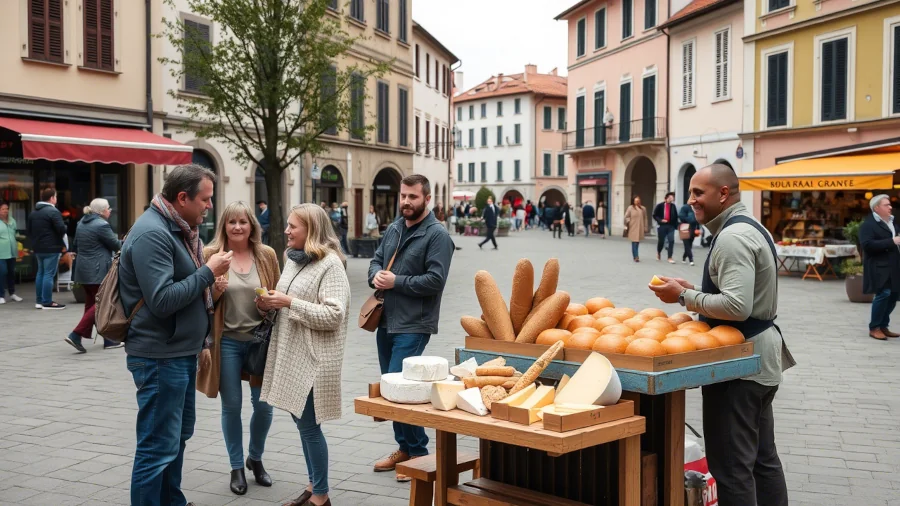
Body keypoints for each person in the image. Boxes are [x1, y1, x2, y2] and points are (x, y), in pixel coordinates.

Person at [649, 164, 794, 506]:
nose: (691, 200)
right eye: (691, 193)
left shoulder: (731, 238)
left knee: (731, 468)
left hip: (739, 366)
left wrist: (683, 297)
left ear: (724, 193)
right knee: (762, 460)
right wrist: (697, 289)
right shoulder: (750, 226)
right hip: (759, 359)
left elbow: (737, 305)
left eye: (699, 193)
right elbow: (741, 294)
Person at [119, 164, 233, 506]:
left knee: (176, 437)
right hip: (158, 357)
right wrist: (207, 273)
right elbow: (163, 300)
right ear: (182, 198)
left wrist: (199, 342)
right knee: (157, 447)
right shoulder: (153, 233)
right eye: (205, 199)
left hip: (178, 353)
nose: (210, 206)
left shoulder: (177, 227)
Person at [256, 203, 349, 506]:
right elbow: (287, 302)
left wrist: (288, 302)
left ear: (311, 230)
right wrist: (269, 304)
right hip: (292, 355)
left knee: (309, 426)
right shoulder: (294, 260)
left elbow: (334, 315)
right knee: (302, 424)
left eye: (293, 226)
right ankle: (313, 486)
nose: (286, 231)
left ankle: (321, 497)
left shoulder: (331, 264)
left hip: (314, 358)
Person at [368, 174, 454, 481]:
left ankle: (419, 453)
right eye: (403, 196)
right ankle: (404, 447)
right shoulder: (393, 228)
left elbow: (435, 280)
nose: (406, 202)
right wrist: (376, 275)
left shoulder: (437, 235)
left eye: (413, 197)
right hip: (387, 320)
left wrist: (396, 282)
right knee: (392, 388)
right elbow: (376, 260)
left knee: (403, 389)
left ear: (427, 199)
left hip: (415, 323)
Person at [196, 201, 280, 496]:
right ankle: (235, 467)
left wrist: (268, 302)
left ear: (252, 225)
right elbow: (200, 300)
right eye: (231, 222)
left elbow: (278, 295)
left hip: (260, 340)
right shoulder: (210, 255)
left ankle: (255, 458)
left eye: (243, 222)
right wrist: (214, 293)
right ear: (224, 226)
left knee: (264, 406)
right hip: (227, 342)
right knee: (231, 407)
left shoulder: (266, 255)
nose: (237, 227)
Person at [65, 198, 122, 353]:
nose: (110, 211)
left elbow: (75, 245)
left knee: (92, 304)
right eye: (108, 208)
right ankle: (76, 334)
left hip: (83, 270)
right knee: (102, 303)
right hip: (97, 271)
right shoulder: (102, 225)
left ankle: (108, 340)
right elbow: (116, 245)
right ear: (102, 211)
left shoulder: (81, 223)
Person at [859, 194, 900, 340]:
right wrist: (892, 241)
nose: (890, 207)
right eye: (886, 205)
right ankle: (874, 327)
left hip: (894, 265)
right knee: (884, 294)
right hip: (878, 266)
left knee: (894, 296)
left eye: (890, 204)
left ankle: (883, 326)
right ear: (877, 208)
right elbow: (867, 245)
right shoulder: (868, 225)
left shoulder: (892, 222)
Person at [27, 187, 67, 310]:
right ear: (51, 198)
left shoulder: (33, 212)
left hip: (38, 248)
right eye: (55, 197)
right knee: (49, 274)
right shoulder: (53, 212)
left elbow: (29, 231)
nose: (56, 199)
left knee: (41, 273)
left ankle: (39, 301)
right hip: (52, 247)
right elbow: (61, 229)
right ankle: (47, 302)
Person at [0, 200, 22, 304]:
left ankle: (12, 293)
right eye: (3, 209)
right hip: (1, 252)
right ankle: (1, 295)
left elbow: (15, 233)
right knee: (2, 272)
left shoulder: (12, 220)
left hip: (12, 252)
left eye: (7, 209)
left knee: (11, 273)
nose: (5, 211)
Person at [653, 192, 679, 263]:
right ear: (666, 198)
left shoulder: (673, 206)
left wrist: (677, 226)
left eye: (672, 198)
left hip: (671, 226)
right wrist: (660, 220)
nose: (671, 199)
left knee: (671, 241)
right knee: (661, 241)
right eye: (670, 198)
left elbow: (676, 216)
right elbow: (655, 215)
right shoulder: (660, 206)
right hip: (662, 225)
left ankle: (670, 257)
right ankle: (658, 252)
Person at [624, 196, 648, 262]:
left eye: (638, 201)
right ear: (633, 201)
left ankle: (635, 255)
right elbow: (626, 216)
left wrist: (645, 227)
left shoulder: (643, 208)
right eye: (636, 201)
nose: (637, 202)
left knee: (637, 242)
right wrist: (627, 222)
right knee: (634, 242)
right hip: (632, 227)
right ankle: (636, 256)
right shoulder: (630, 208)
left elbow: (645, 218)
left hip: (640, 227)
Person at [679, 201, 698, 266]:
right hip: (684, 226)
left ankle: (684, 257)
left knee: (690, 244)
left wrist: (697, 228)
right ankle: (691, 259)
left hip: (693, 227)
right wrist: (690, 219)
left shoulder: (696, 208)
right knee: (686, 243)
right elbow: (681, 216)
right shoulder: (685, 207)